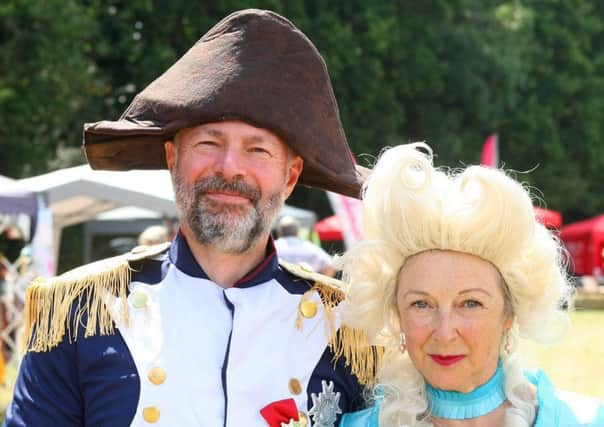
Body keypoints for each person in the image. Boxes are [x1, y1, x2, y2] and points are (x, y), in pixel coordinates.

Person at [5, 9, 377, 427]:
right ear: (172, 158)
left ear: (290, 177)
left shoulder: (351, 328)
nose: (230, 167)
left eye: (257, 150)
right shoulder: (77, 313)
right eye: (208, 142)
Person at [338, 143, 604, 426]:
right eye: (421, 304)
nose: (443, 333)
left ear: (509, 314)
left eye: (470, 303)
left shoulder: (583, 420)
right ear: (396, 315)